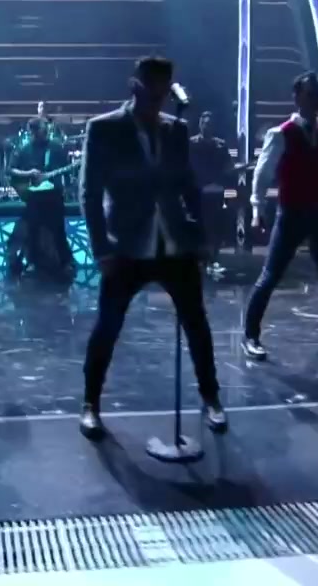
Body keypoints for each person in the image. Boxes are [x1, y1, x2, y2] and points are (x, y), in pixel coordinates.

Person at [78, 56, 225, 439]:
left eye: (163, 91)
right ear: (136, 87)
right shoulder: (104, 128)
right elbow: (89, 193)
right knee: (107, 327)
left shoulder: (176, 129)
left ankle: (211, 397)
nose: (158, 99)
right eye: (151, 91)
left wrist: (201, 235)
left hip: (174, 243)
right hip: (126, 245)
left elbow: (188, 185)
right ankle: (90, 403)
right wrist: (101, 249)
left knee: (197, 324)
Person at [242, 72, 318, 360]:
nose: (315, 100)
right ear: (297, 98)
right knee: (271, 275)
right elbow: (262, 174)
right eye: (309, 94)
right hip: (292, 212)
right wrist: (257, 209)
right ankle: (250, 335)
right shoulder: (281, 133)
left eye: (317, 95)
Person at [8, 117, 75, 280]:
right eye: (38, 130)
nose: (41, 132)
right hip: (34, 196)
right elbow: (11, 170)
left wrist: (67, 186)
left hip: (53, 195)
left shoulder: (56, 147)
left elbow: (66, 169)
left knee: (59, 230)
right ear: (32, 131)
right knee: (32, 230)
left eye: (42, 129)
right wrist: (28, 173)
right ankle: (32, 262)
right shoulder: (25, 149)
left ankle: (66, 262)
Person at [189, 111, 235, 274]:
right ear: (200, 125)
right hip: (198, 190)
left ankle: (213, 258)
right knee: (199, 225)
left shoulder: (221, 145)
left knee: (214, 225)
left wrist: (229, 172)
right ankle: (200, 260)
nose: (207, 127)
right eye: (205, 124)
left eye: (210, 124)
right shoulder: (191, 144)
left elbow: (228, 166)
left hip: (216, 190)